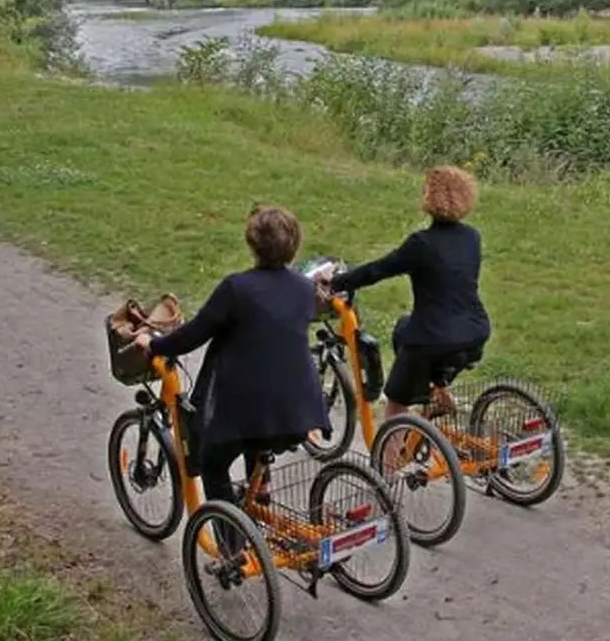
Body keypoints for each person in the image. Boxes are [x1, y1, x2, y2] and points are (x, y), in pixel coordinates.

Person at [133, 204, 331, 513]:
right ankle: (260, 489)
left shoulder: (236, 289)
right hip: (299, 408)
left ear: (252, 244)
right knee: (260, 430)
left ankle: (232, 551)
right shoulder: (306, 289)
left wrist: (153, 345)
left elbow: (192, 335)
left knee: (213, 463)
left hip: (248, 409)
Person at [325, 165, 491, 421]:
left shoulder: (421, 244)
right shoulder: (472, 237)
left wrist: (337, 282)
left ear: (428, 198)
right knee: (404, 327)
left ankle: (387, 459)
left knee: (396, 405)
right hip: (475, 331)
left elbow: (378, 269)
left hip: (434, 337)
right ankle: (438, 390)